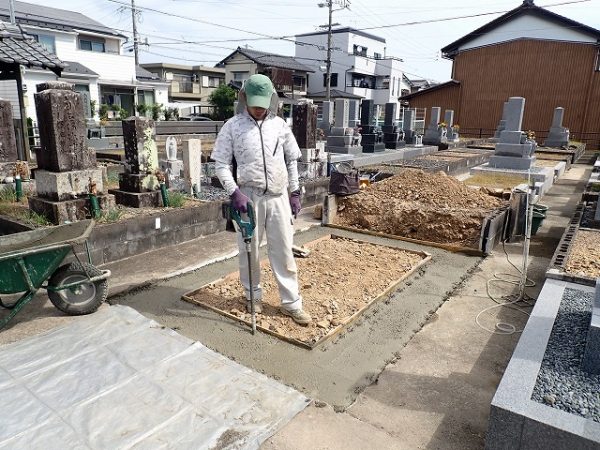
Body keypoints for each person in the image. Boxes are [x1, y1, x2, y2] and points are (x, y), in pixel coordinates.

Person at [211, 74, 311, 326]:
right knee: (249, 252)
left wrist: (295, 191)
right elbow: (221, 165)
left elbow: (291, 160)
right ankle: (252, 296)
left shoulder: (280, 126)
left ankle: (291, 303)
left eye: (263, 103)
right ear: (244, 98)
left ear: (271, 100)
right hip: (249, 197)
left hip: (278, 197)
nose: (258, 109)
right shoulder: (232, 126)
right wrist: (235, 192)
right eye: (253, 103)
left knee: (284, 251)